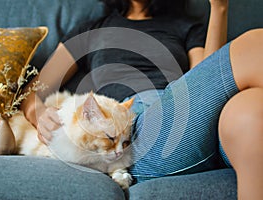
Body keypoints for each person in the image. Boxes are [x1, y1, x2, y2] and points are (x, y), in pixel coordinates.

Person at [20, 0, 263, 199]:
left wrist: (219, 8)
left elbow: (210, 81)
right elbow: (34, 90)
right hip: (134, 133)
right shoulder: (92, 30)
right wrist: (39, 114)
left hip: (185, 115)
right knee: (255, 45)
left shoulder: (185, 26)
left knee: (251, 110)